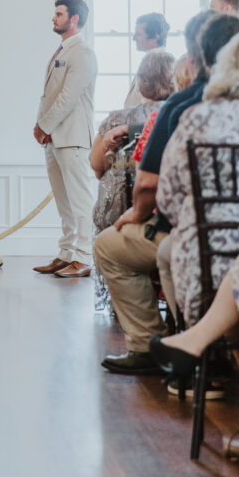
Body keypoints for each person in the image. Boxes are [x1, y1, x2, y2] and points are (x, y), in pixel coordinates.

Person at [96, 11, 239, 375]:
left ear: (195, 58)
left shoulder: (184, 109)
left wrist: (136, 213)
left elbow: (150, 185)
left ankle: (155, 345)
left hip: (197, 235)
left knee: (109, 245)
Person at [157, 28, 239, 327]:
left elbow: (167, 196)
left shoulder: (196, 117)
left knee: (166, 251)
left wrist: (191, 221)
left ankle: (189, 339)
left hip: (203, 251)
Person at [149, 143, 239, 420]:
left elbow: (163, 195)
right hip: (236, 251)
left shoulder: (189, 116)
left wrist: (185, 223)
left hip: (208, 246)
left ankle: (195, 345)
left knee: (237, 269)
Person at [90, 50, 175, 310]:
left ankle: (127, 304)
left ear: (141, 82)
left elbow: (96, 166)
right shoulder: (180, 114)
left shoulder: (117, 118)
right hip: (167, 210)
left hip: (118, 212)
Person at [33, 0, 97, 279]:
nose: (53, 18)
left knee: (80, 200)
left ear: (74, 19)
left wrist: (43, 125)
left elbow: (68, 97)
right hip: (53, 137)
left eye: (59, 14)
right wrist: (43, 127)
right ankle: (67, 253)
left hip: (71, 136)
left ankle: (84, 256)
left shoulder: (82, 52)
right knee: (64, 201)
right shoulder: (62, 50)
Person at [125, 13, 170, 107]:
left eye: (138, 34)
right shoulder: (148, 61)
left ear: (155, 37)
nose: (133, 38)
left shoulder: (159, 66)